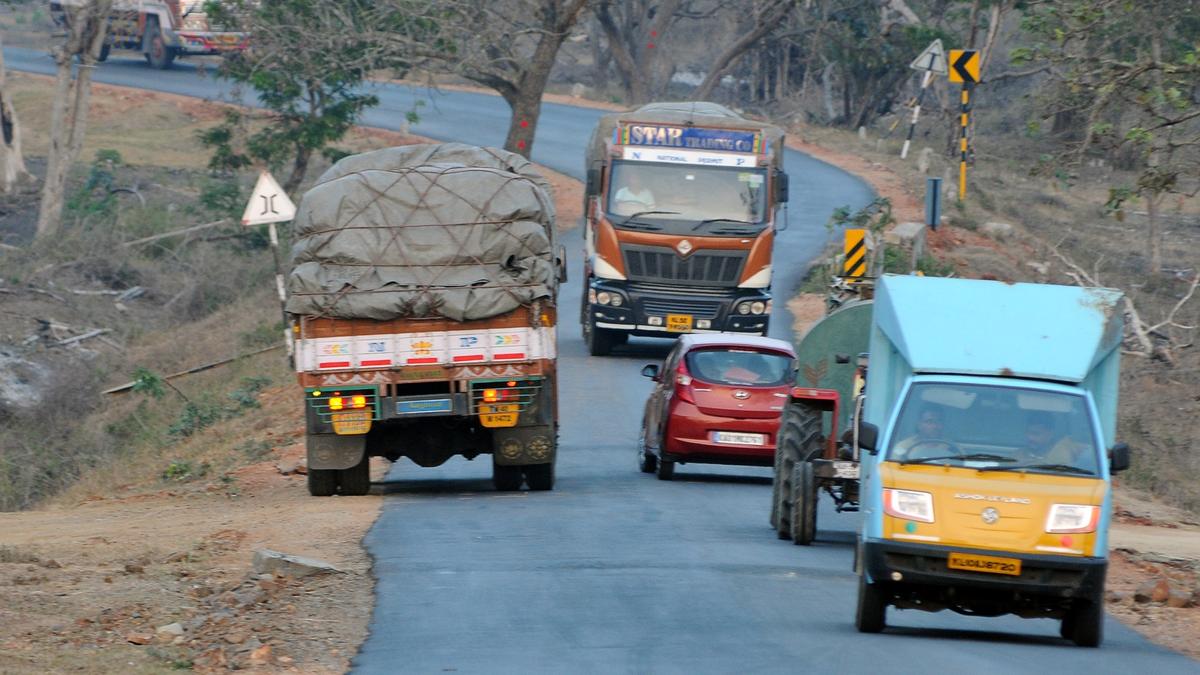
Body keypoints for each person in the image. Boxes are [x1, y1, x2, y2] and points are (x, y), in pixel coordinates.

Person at [1021, 412, 1089, 465]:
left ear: (1050, 434)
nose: (1030, 437)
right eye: (1028, 433)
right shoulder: (1017, 456)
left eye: (1036, 434)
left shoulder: (1065, 451)